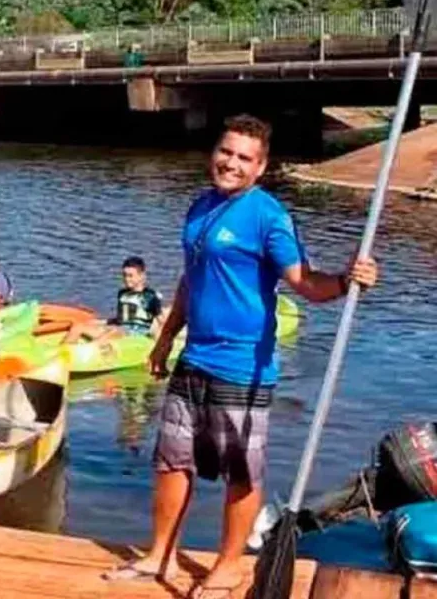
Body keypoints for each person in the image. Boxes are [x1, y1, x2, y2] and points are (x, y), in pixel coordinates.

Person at [102, 115, 378, 599]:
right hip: (194, 360)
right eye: (226, 152)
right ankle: (158, 555)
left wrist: (346, 279)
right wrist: (167, 339)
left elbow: (303, 283)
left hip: (242, 368)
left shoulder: (269, 217)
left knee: (241, 473)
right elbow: (191, 281)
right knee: (170, 462)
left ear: (261, 167)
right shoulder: (200, 207)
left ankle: (228, 567)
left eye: (243, 158)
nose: (230, 162)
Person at [64, 257, 166, 344]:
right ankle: (62, 352)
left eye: (131, 275)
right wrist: (99, 322)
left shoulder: (150, 296)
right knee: (78, 327)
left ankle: (89, 352)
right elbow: (120, 319)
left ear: (141, 276)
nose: (126, 279)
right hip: (119, 329)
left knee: (114, 330)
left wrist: (161, 343)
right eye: (124, 275)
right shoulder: (122, 294)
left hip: (136, 335)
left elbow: (162, 322)